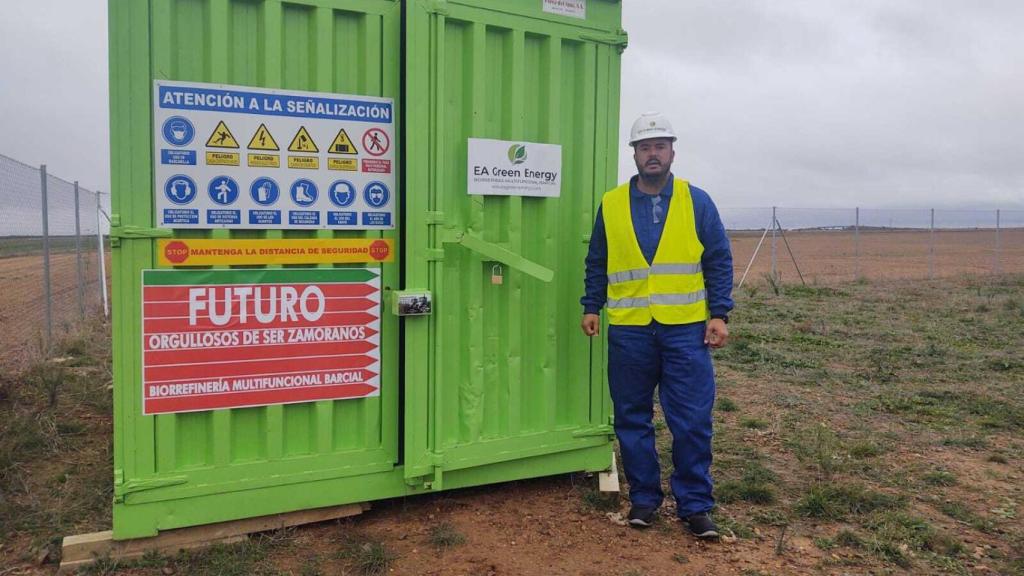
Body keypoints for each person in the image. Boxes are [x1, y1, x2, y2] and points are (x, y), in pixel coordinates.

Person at [580, 112, 734, 538]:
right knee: (631, 417)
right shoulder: (611, 203)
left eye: (660, 146)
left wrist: (719, 313)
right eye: (645, 147)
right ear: (634, 154)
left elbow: (717, 259)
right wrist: (591, 305)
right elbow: (598, 260)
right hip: (629, 328)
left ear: (672, 152)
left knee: (691, 420)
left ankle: (696, 506)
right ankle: (644, 500)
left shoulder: (696, 200)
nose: (653, 154)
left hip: (685, 330)